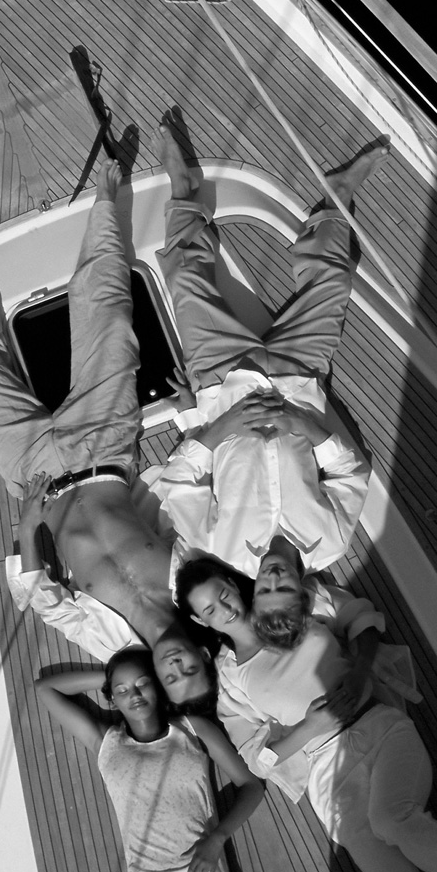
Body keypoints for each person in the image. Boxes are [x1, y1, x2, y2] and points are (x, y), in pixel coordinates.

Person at [0, 159, 205, 680]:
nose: (177, 668)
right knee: (109, 319)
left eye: (172, 680)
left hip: (38, 480)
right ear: (202, 655)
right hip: (106, 450)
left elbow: (44, 601)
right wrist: (190, 416)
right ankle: (105, 201)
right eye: (191, 669)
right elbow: (197, 498)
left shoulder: (113, 645)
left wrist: (29, 531)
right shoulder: (194, 584)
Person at [143, 113, 381, 590]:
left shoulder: (219, 551)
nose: (273, 580)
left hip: (221, 385)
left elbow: (177, 486)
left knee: (187, 283)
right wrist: (306, 428)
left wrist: (216, 427)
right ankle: (337, 195)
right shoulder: (329, 543)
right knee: (333, 283)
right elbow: (351, 473)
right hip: (297, 382)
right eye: (285, 590)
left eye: (266, 592)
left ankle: (183, 188)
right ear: (302, 590)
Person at [174, 559, 437, 872]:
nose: (224, 609)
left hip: (379, 726)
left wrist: (358, 673)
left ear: (232, 583)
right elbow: (259, 760)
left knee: (391, 819)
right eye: (209, 610)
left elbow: (360, 616)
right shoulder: (231, 680)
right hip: (327, 769)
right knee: (368, 847)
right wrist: (310, 727)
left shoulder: (292, 599)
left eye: (223, 594)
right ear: (199, 619)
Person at [34, 647, 265, 872]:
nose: (134, 694)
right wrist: (114, 677)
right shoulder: (107, 743)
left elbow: (251, 786)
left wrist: (218, 838)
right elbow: (45, 689)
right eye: (122, 691)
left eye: (143, 683)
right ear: (112, 700)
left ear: (158, 685)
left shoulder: (194, 729)